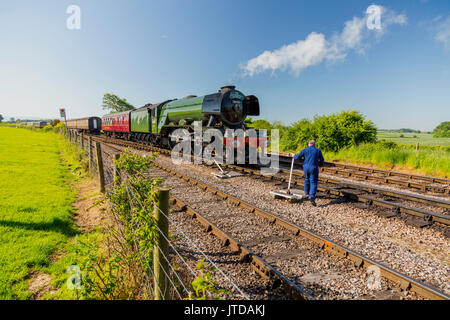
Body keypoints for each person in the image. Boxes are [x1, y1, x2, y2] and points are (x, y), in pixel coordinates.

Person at [290, 140, 324, 206]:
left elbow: (298, 157)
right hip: (313, 167)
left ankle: (306, 192)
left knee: (306, 178)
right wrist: (320, 165)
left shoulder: (305, 149)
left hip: (305, 167)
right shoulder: (317, 150)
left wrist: (294, 156)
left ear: (309, 144)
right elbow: (322, 160)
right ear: (314, 144)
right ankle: (312, 196)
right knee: (313, 182)